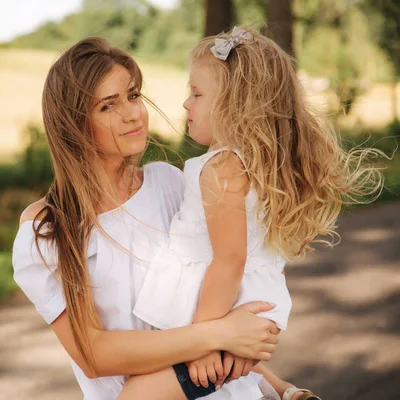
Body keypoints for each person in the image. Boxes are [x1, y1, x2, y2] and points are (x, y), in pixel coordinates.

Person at [12, 36, 303, 400]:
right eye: (108, 106)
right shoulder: (47, 230)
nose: (133, 113)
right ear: (73, 124)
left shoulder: (170, 182)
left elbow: (221, 287)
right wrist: (218, 336)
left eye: (133, 95)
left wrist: (276, 382)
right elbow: (95, 356)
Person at [118, 26, 383, 400]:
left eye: (196, 93)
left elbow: (229, 260)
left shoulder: (220, 169)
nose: (185, 104)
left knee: (136, 394)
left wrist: (204, 341)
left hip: (216, 309)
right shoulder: (257, 163)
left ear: (234, 105)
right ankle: (285, 392)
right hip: (242, 305)